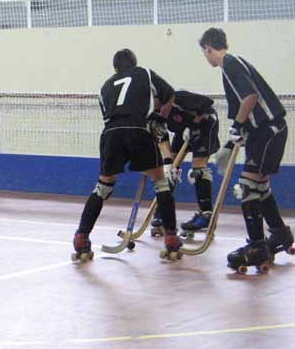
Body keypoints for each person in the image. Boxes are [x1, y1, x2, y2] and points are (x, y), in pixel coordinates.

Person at [73, 48, 180, 259]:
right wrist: (159, 120)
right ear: (135, 63)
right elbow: (169, 95)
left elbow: (110, 116)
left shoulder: (104, 87)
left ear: (115, 68)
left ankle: (81, 236)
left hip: (111, 133)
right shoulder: (145, 73)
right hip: (139, 130)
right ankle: (170, 236)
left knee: (103, 186)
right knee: (160, 182)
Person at [199, 27, 292, 270]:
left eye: (204, 53)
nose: (206, 57)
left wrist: (238, 125)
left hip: (268, 131)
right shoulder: (234, 64)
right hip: (264, 132)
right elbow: (245, 108)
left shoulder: (230, 64)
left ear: (209, 48)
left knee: (247, 188)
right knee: (260, 188)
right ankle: (280, 234)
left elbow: (249, 97)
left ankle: (257, 247)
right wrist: (231, 142)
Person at [151, 90, 220, 235]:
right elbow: (162, 138)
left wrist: (194, 125)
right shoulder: (153, 114)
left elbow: (207, 103)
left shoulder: (178, 98)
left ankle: (206, 215)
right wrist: (169, 163)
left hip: (205, 124)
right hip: (183, 130)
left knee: (197, 167)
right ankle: (164, 211)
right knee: (170, 170)